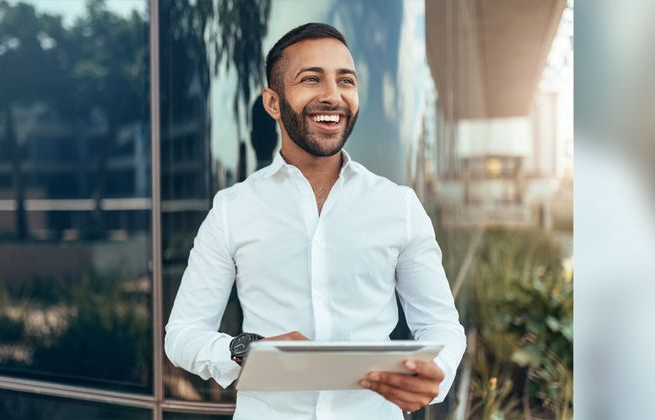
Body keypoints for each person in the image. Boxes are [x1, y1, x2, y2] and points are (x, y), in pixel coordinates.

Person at [165, 23, 466, 419]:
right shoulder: (232, 210)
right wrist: (246, 349)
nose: (332, 96)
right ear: (273, 103)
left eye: (346, 81)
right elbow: (182, 335)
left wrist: (437, 372)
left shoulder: (399, 206)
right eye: (311, 79)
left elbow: (442, 324)